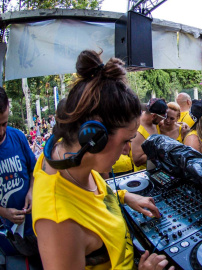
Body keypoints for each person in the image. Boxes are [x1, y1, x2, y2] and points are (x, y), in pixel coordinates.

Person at [32, 50, 171, 269]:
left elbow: (87, 198)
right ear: (95, 137)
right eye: (126, 140)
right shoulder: (60, 225)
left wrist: (123, 197)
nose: (127, 150)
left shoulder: (58, 157)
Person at [0, 87, 39, 257]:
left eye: (4, 123)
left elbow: (34, 169)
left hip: (37, 222)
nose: (1, 131)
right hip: (11, 234)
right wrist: (3, 212)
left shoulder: (17, 136)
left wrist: (31, 190)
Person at [131, 98, 167, 171]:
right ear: (153, 116)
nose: (162, 120)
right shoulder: (138, 131)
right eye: (161, 118)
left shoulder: (154, 122)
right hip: (144, 173)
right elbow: (137, 160)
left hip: (157, 169)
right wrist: (159, 152)